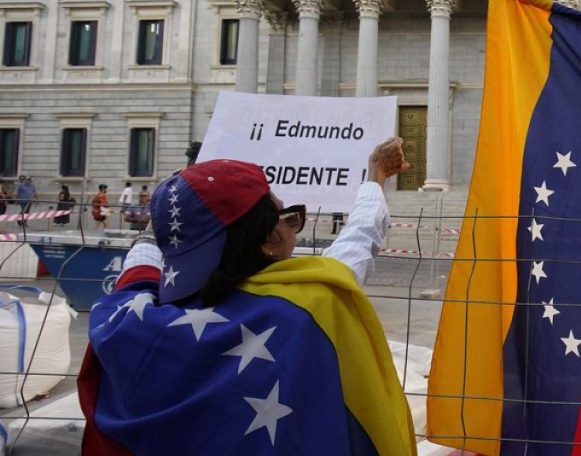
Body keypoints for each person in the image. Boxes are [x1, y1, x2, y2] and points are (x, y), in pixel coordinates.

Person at [78, 137, 416, 455]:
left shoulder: (125, 321)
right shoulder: (304, 309)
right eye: (288, 217)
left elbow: (141, 265)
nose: (291, 226)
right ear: (269, 240)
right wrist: (376, 177)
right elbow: (356, 244)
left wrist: (177, 209)